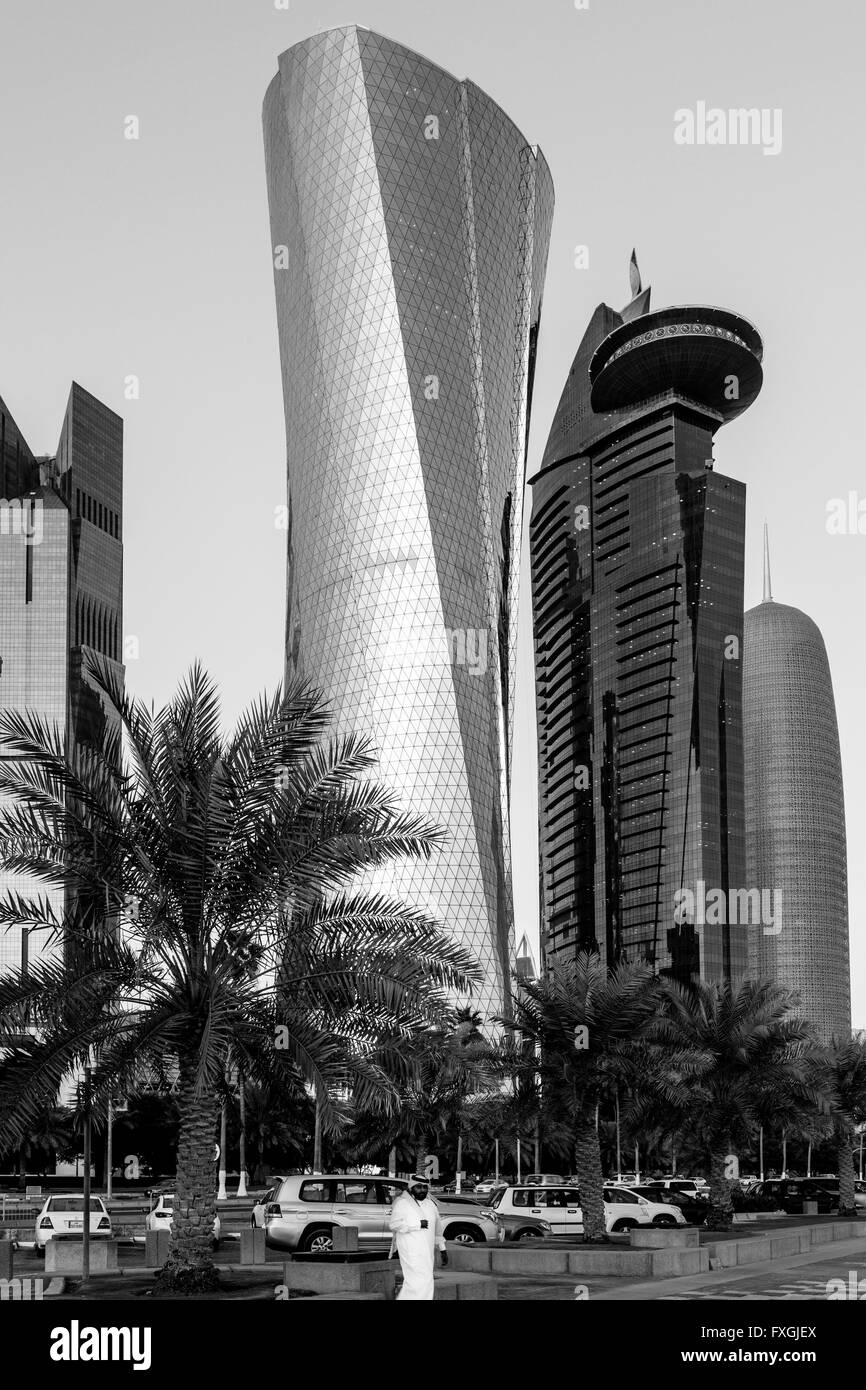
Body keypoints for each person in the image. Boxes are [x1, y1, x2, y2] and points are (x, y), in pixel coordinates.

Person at [388, 1174, 448, 1300]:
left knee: (425, 1280)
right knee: (417, 1281)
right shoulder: (402, 1203)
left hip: (427, 1252)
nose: (422, 1190)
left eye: (425, 1187)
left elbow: (437, 1230)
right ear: (411, 1188)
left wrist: (443, 1250)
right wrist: (417, 1225)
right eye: (419, 1187)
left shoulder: (431, 1205)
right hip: (411, 1251)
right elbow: (394, 1224)